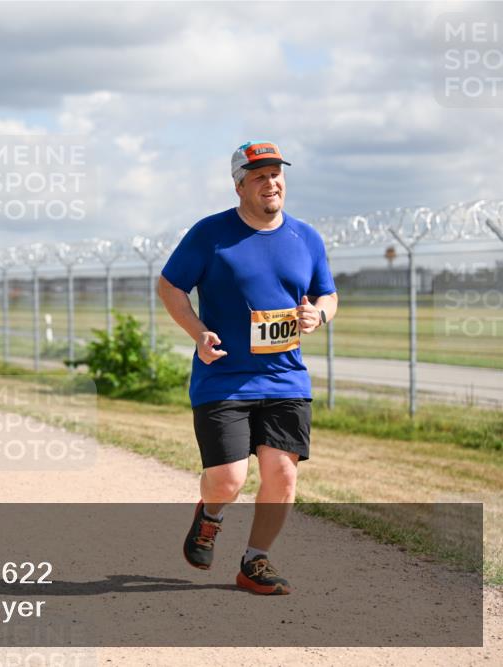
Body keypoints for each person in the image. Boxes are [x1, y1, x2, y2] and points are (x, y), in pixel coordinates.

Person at [157, 140, 338, 595]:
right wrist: (198, 333)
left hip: (285, 377)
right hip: (223, 377)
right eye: (259, 176)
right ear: (239, 186)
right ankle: (211, 513)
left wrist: (319, 314)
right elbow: (170, 286)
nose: (270, 183)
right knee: (228, 480)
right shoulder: (210, 234)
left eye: (276, 174)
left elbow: (328, 293)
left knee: (283, 473)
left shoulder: (305, 237)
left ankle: (255, 561)